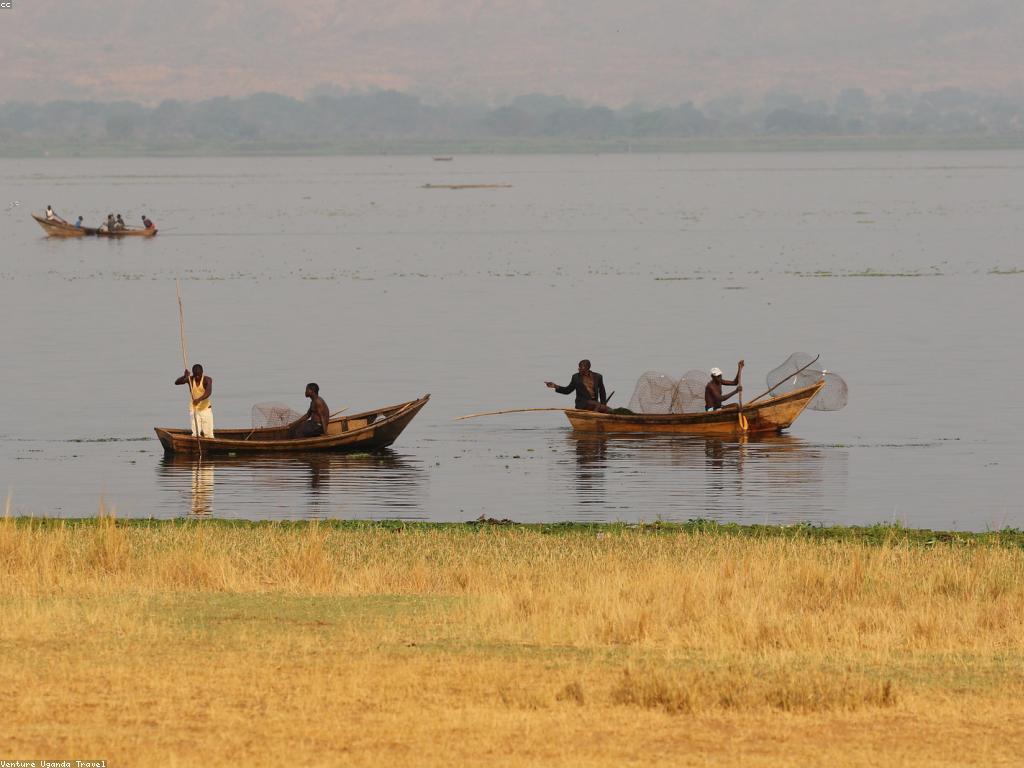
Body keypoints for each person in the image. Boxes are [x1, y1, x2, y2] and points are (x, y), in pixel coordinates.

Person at [546, 359, 610, 412]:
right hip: (582, 403)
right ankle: (594, 417)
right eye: (579, 367)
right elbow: (567, 390)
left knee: (609, 410)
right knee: (597, 405)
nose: (579, 368)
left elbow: (602, 392)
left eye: (582, 367)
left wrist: (603, 405)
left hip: (595, 404)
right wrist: (555, 386)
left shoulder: (598, 377)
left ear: (588, 367)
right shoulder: (576, 377)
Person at [174, 364, 214, 438]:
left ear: (202, 372)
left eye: (199, 375)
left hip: (206, 409)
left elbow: (208, 392)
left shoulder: (207, 379)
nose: (197, 377)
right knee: (195, 434)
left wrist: (199, 399)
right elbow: (177, 382)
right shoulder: (190, 379)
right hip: (194, 409)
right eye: (195, 375)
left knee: (208, 434)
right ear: (193, 373)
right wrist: (184, 376)